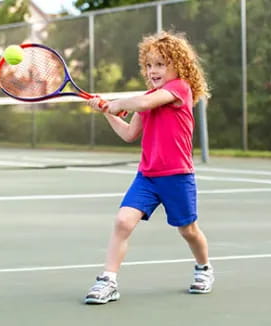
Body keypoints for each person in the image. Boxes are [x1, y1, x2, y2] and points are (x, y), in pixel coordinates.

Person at [84, 31, 213, 305]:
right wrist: (108, 112)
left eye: (161, 64)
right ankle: (108, 280)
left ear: (179, 66)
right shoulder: (148, 98)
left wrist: (115, 103)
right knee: (122, 222)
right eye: (149, 65)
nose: (153, 70)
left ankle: (204, 268)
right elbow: (130, 134)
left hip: (177, 177)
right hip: (147, 176)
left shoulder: (179, 89)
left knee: (188, 230)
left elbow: (143, 102)